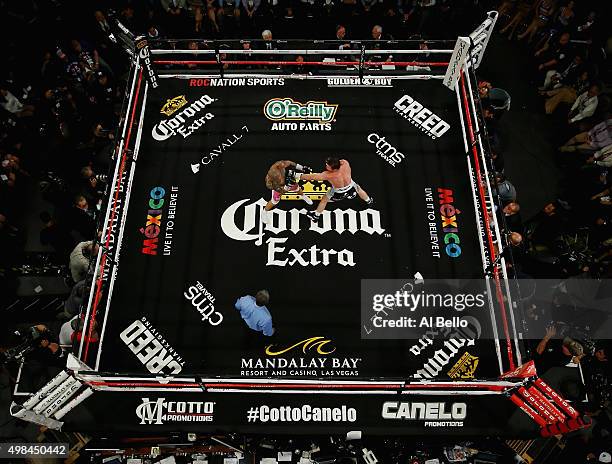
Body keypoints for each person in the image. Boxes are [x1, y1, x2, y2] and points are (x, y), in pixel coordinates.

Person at [300, 157, 373, 223]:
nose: (326, 166)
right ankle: (369, 201)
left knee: (324, 199)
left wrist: (297, 176)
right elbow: (340, 161)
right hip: (351, 187)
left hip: (339, 193)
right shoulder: (345, 163)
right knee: (358, 188)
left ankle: (316, 216)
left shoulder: (328, 175)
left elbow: (312, 177)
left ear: (333, 169)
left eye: (327, 165)